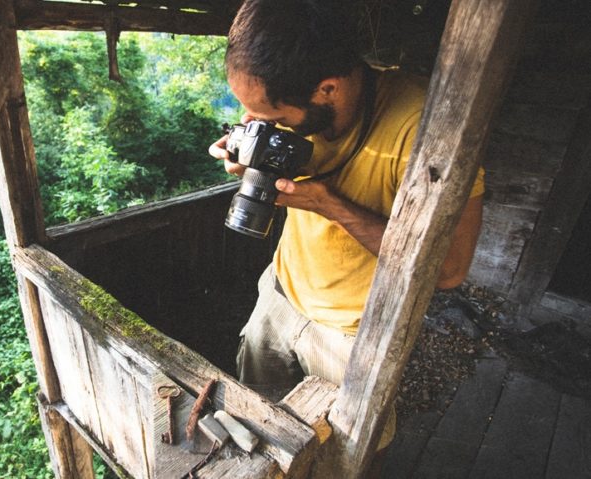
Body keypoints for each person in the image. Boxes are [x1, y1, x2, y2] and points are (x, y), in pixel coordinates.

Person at [208, 0, 485, 462]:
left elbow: (451, 271)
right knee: (255, 424)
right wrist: (248, 150)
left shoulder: (429, 130)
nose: (260, 122)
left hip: (353, 330)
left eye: (271, 116)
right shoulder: (295, 98)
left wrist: (328, 204)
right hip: (280, 294)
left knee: (346, 455)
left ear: (326, 89)